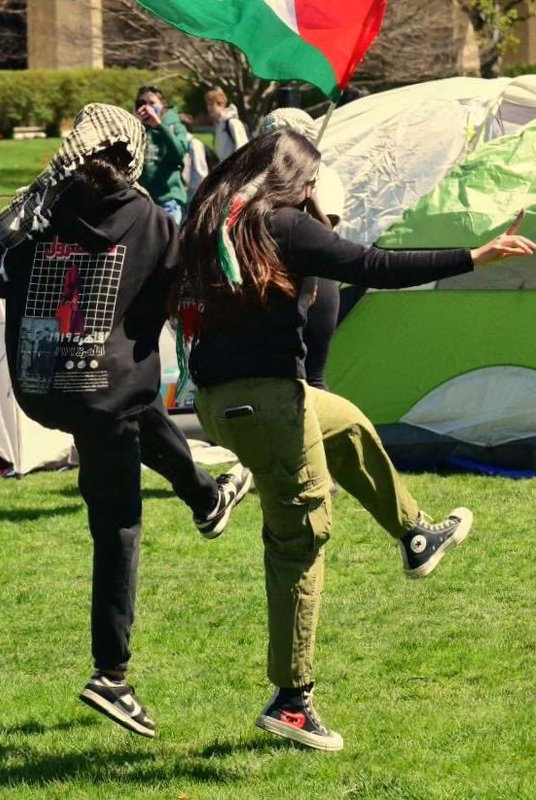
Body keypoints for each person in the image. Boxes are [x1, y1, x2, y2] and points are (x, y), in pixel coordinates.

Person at [173, 129, 534, 752]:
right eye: (310, 181)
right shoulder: (279, 225)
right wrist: (474, 258)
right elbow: (375, 266)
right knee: (300, 538)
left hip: (219, 400)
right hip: (268, 402)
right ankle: (292, 701)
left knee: (347, 422)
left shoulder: (210, 222)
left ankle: (415, 532)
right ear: (293, 179)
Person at [0, 104, 252, 740]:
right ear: (132, 159)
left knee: (133, 411)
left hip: (45, 388)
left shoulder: (41, 214)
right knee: (118, 526)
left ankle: (208, 498)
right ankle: (112, 675)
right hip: (102, 391)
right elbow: (186, 295)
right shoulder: (155, 223)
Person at [256, 108, 346, 390]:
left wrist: (309, 193)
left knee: (312, 374)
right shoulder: (256, 175)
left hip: (315, 277)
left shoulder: (323, 175)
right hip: (272, 276)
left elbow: (324, 234)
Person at [133, 86, 190, 225]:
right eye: (142, 103)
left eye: (152, 103)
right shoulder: (138, 130)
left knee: (170, 244)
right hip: (143, 203)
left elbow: (180, 152)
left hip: (168, 200)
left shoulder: (173, 126)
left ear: (162, 104)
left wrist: (159, 125)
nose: (147, 108)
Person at [204, 87, 249, 163]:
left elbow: (243, 150)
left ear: (222, 104)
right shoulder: (218, 125)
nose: (209, 108)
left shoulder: (233, 122)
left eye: (212, 104)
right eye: (208, 105)